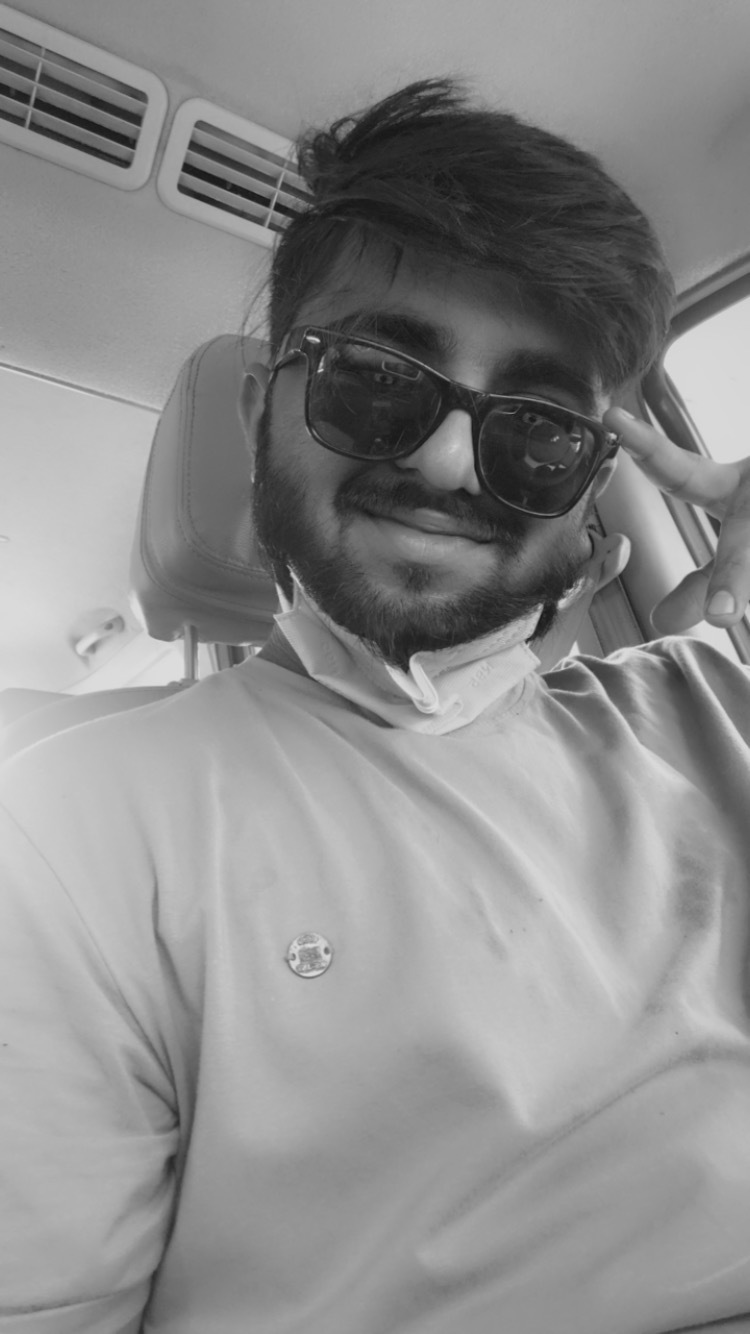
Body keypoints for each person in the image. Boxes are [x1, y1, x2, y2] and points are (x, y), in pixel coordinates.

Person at [1, 76, 750, 1334]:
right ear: (263, 410)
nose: (446, 462)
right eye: (375, 380)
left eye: (537, 430)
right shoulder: (64, 829)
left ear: (591, 494)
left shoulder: (712, 702)